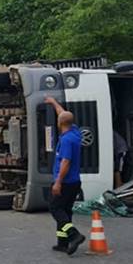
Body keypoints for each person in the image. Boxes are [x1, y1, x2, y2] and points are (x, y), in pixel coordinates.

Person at [44, 97, 87, 255]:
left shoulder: (67, 140)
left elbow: (65, 162)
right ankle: (62, 243)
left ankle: (74, 235)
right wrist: (53, 102)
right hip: (75, 182)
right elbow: (63, 114)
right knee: (66, 210)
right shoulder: (74, 131)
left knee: (55, 208)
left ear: (60, 123)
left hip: (66, 182)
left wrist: (58, 182)